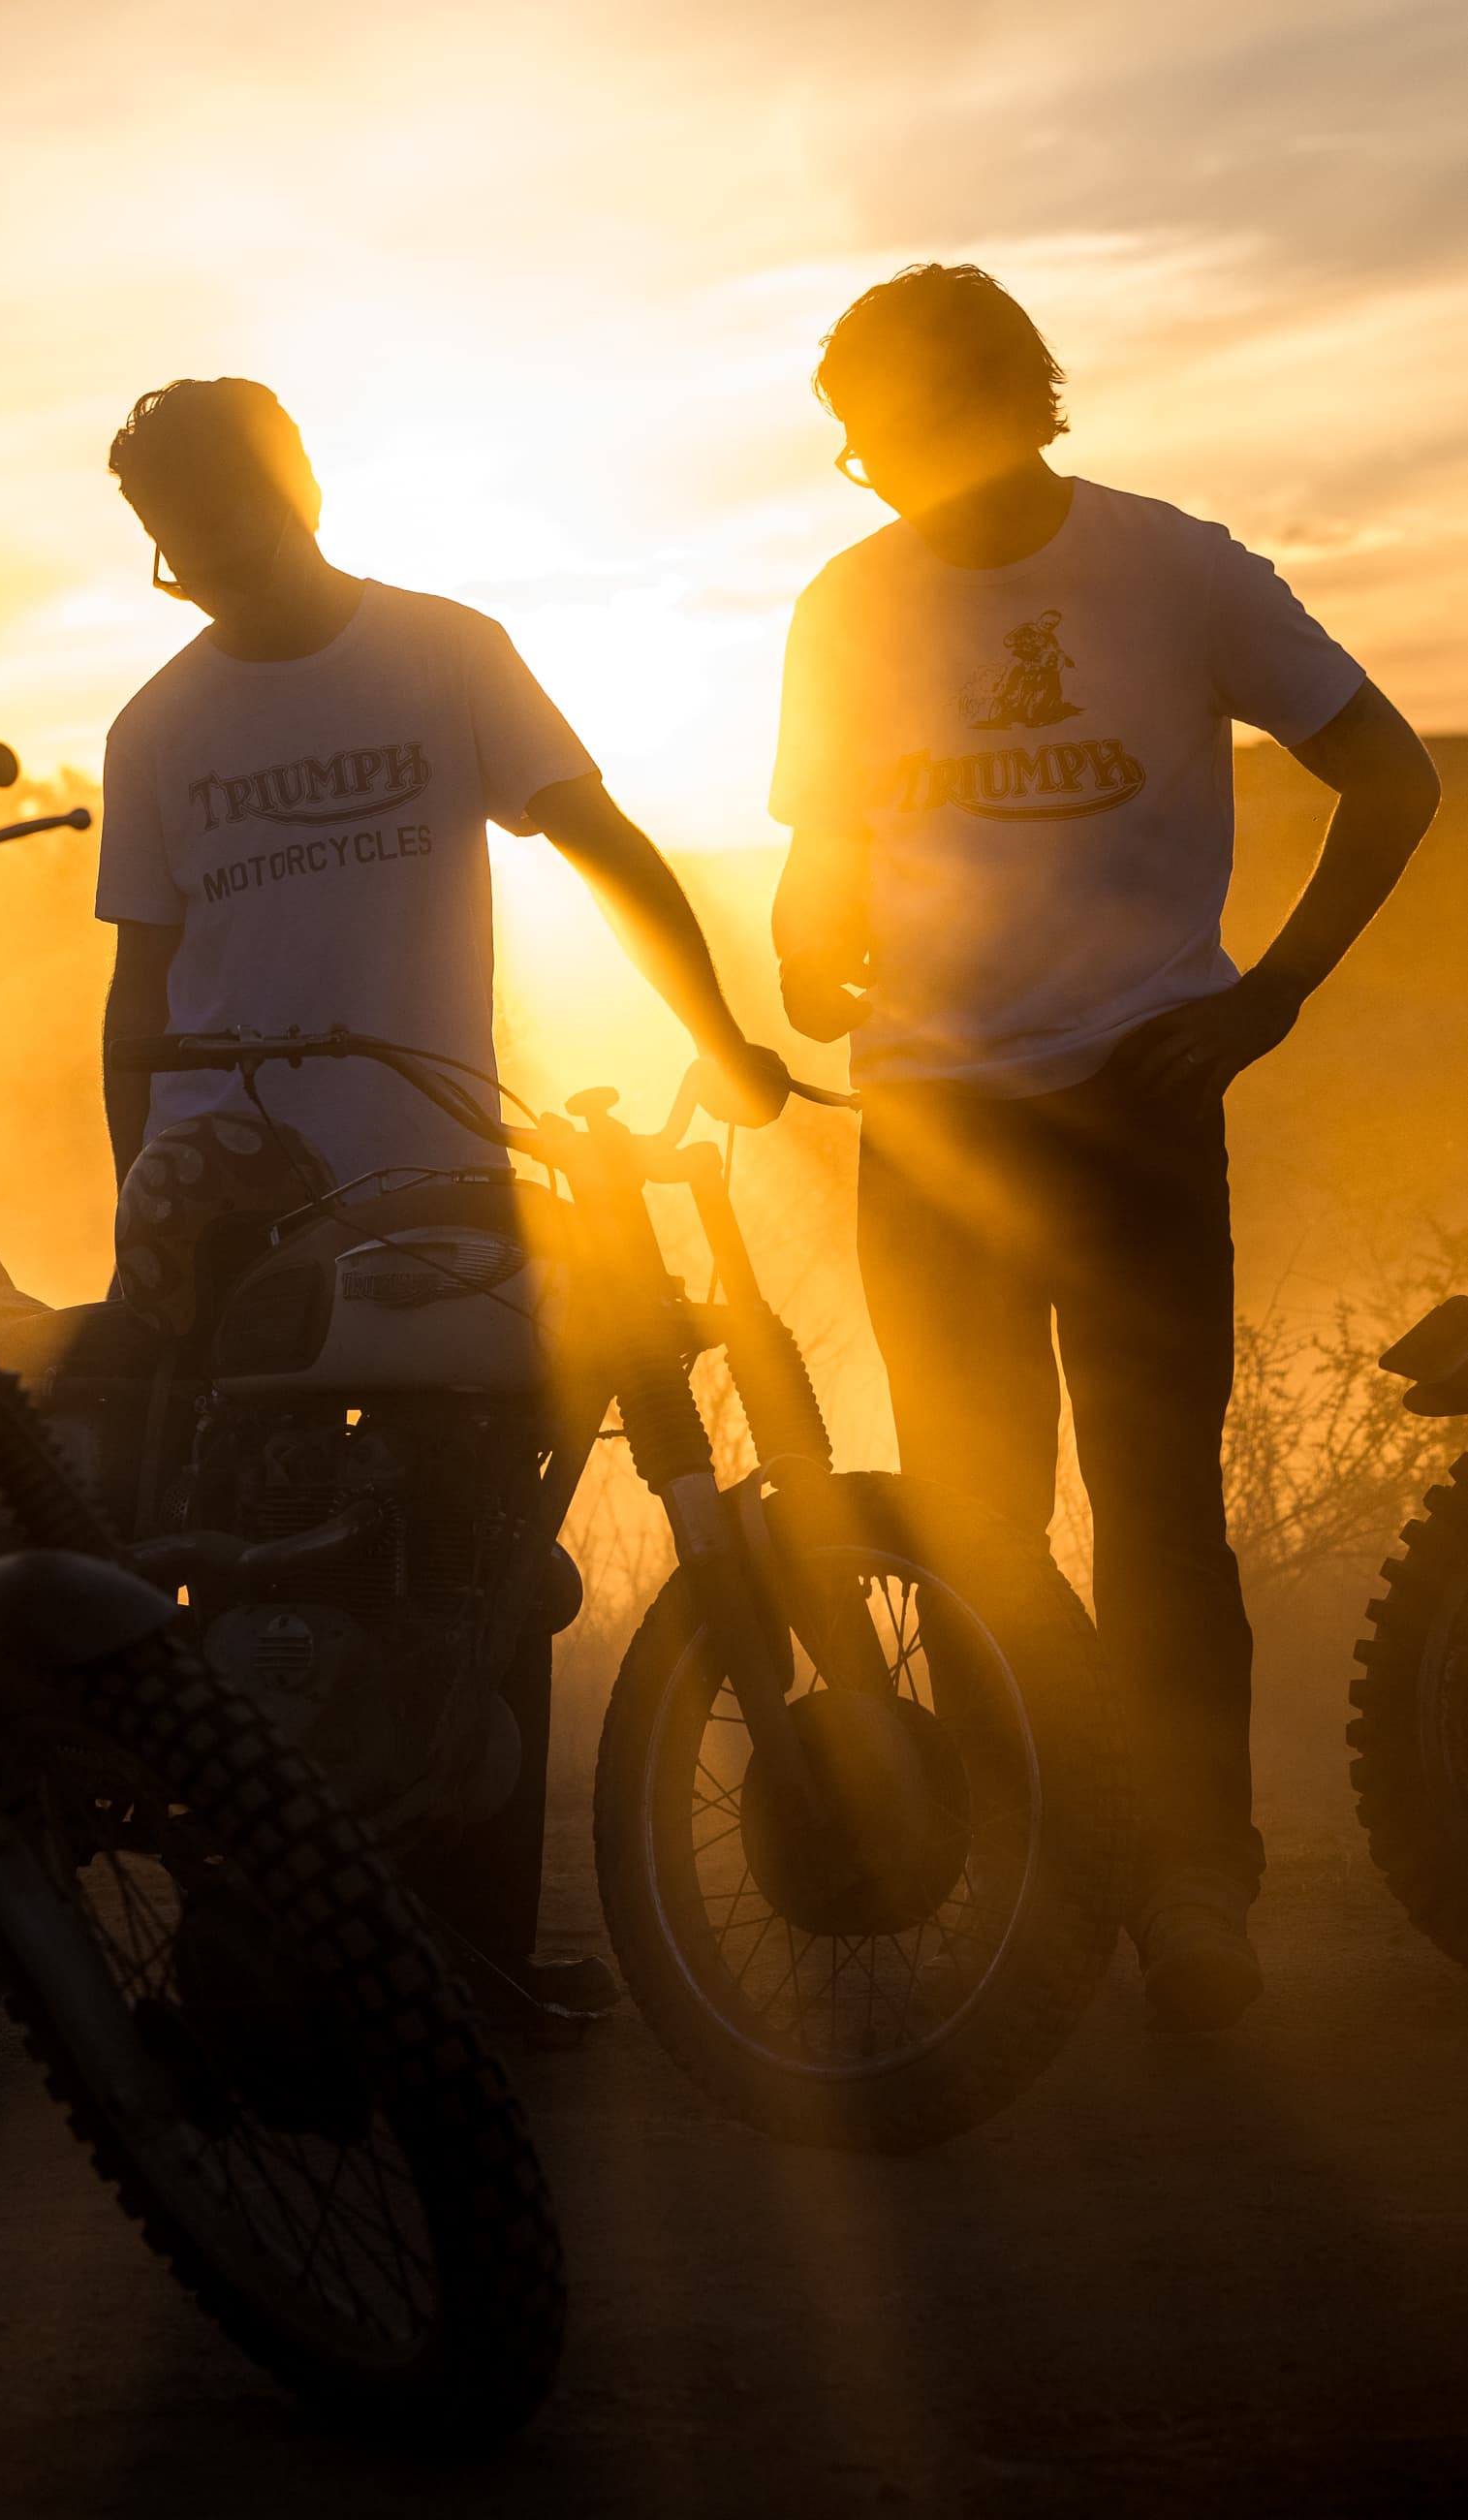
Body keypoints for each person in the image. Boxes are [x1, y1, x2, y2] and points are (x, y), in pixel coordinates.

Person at [769, 265, 1441, 2032]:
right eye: (855, 447)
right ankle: (1041, 1884)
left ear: (993, 398)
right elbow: (818, 855)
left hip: (1133, 1117)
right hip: (928, 1125)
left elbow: (1392, 778)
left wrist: (1269, 998)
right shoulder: (844, 602)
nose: (867, 468)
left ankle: (1193, 1895)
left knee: (1158, 1524)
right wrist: (800, 940)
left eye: (881, 429)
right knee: (972, 1534)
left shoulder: (1176, 568)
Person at [96, 374, 787, 2024]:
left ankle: (467, 1967)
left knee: (479, 1562)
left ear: (304, 487)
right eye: (172, 542)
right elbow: (138, 996)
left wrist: (724, 1037)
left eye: (224, 523)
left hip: (438, 1184)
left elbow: (600, 843)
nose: (204, 566)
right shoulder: (156, 727)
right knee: (260, 1580)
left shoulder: (443, 653)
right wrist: (138, 1208)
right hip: (232, 1211)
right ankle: (252, 1976)